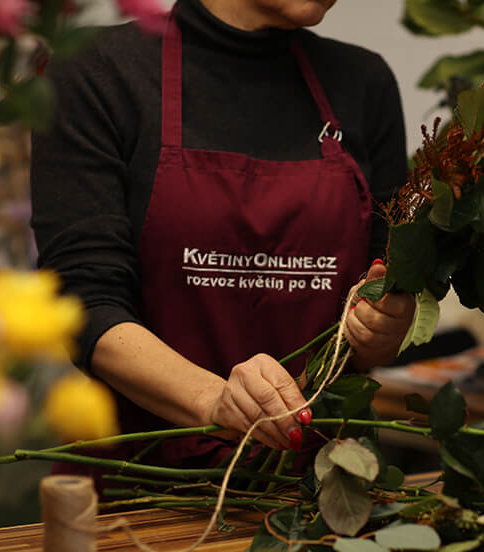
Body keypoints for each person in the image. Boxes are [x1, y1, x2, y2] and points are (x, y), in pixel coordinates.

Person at [30, 0, 413, 470]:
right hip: (138, 499)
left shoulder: (363, 83)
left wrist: (383, 327)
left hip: (321, 492)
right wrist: (215, 401)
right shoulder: (98, 71)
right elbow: (83, 302)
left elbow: (376, 317)